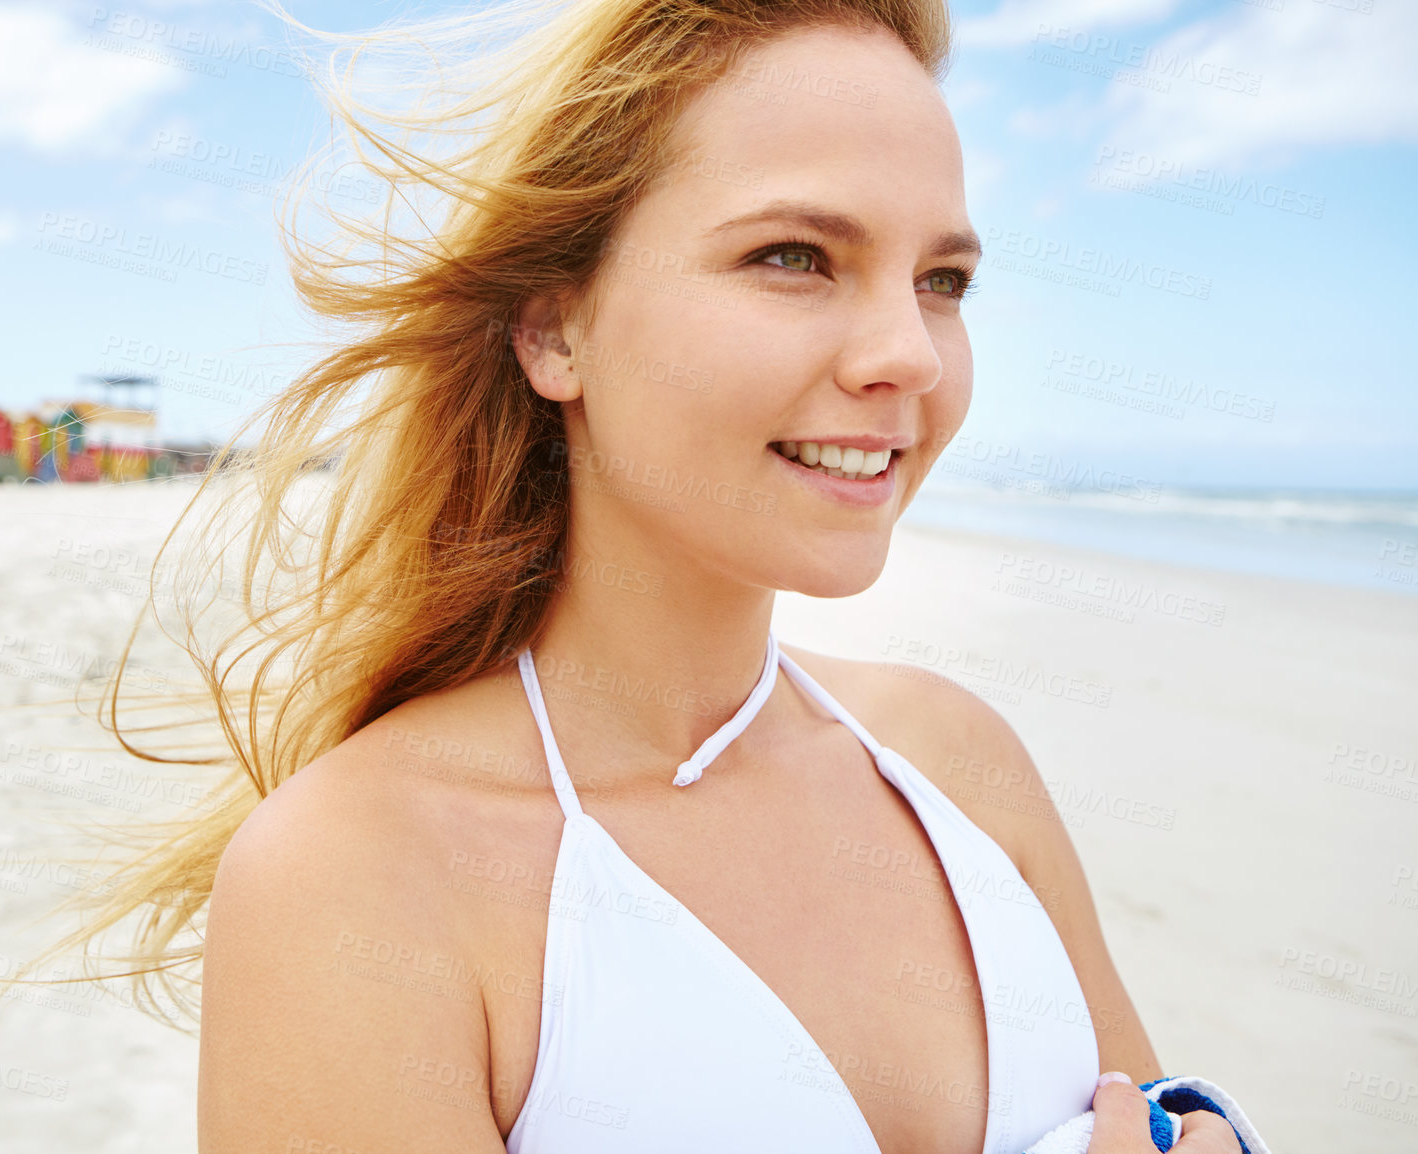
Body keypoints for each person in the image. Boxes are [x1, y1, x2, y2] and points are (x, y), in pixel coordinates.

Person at [79, 2, 1244, 1151]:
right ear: (555, 332)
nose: (907, 353)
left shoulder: (959, 765)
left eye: (941, 281)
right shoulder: (358, 879)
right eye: (794, 257)